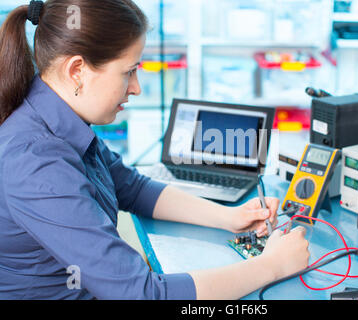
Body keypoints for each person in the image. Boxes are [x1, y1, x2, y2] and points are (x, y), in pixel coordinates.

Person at [0, 0, 310, 300]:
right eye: (128, 72)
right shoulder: (36, 161)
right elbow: (141, 293)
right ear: (77, 70)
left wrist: (230, 217)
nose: (136, 87)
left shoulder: (59, 117)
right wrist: (271, 266)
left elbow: (133, 188)